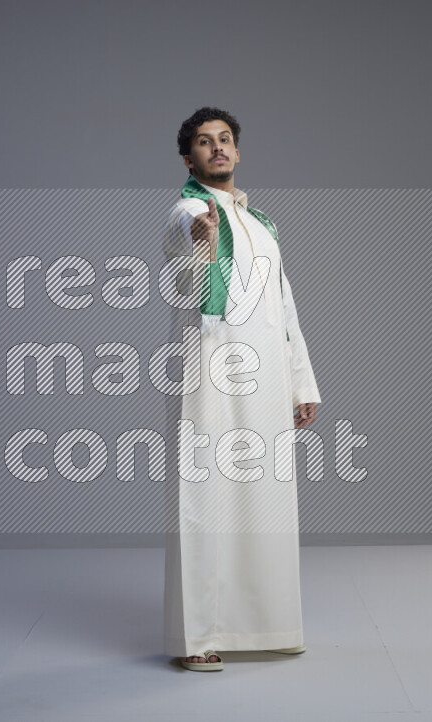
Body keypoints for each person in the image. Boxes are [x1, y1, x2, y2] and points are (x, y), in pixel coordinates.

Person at [162, 107, 321, 671]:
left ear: (237, 150)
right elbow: (180, 236)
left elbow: (284, 305)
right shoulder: (187, 207)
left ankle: (271, 623)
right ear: (190, 159)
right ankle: (198, 636)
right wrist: (198, 234)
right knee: (205, 498)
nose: (218, 149)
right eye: (205, 143)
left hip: (267, 377)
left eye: (225, 140)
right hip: (210, 370)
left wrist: (302, 381)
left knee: (267, 498)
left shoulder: (263, 225)